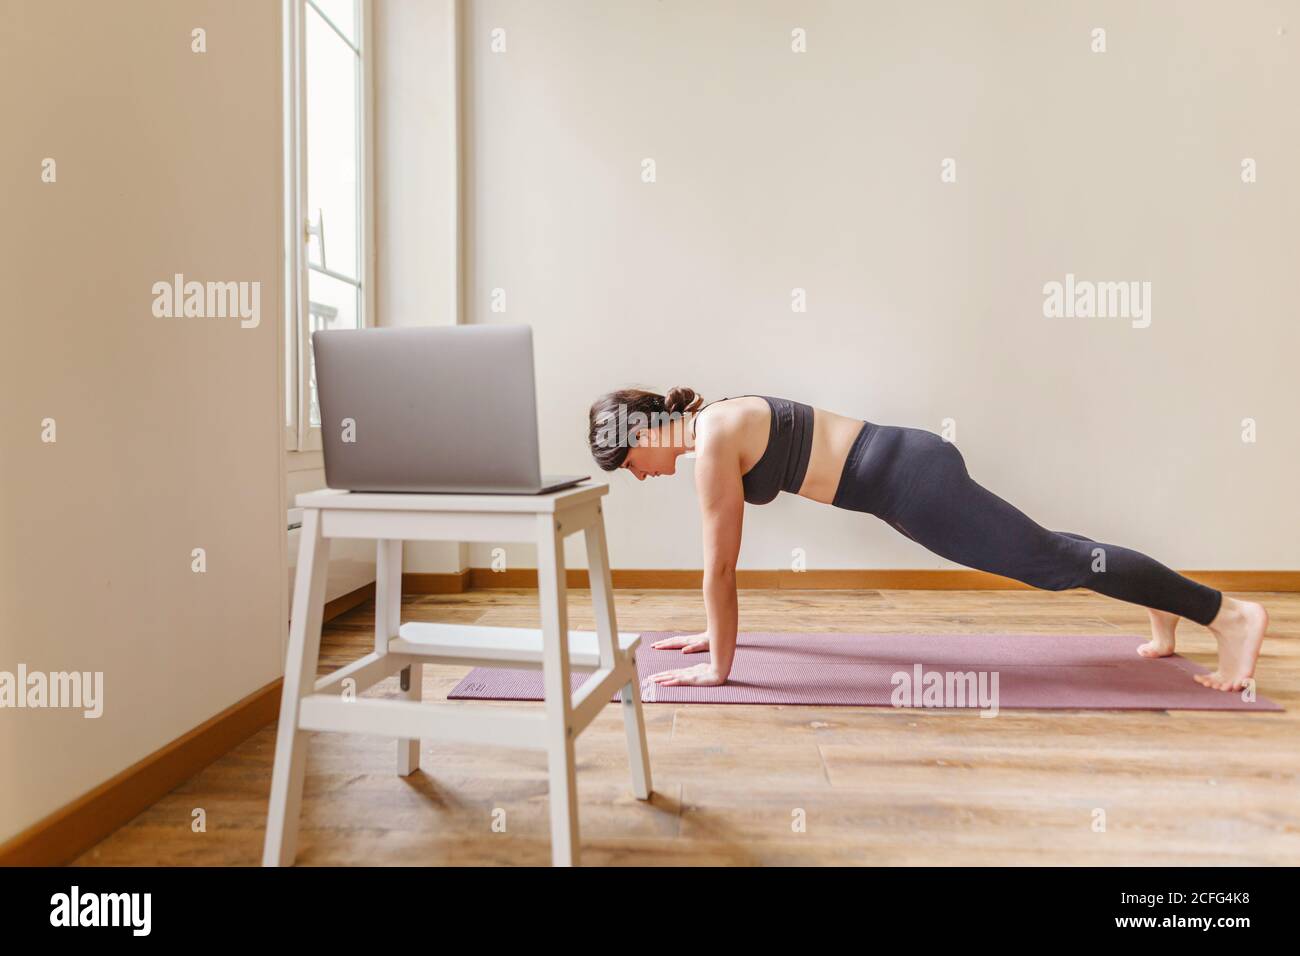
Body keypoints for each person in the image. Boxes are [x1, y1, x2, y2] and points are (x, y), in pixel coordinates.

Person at [586, 388, 1268, 691]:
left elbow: (721, 570)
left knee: (1048, 563)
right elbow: (723, 572)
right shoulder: (714, 423)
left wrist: (720, 667)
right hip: (905, 473)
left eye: (625, 465)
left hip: (911, 483)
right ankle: (1163, 603)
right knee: (1053, 551)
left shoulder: (710, 443)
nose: (637, 477)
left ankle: (1227, 614)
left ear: (640, 434)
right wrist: (714, 633)